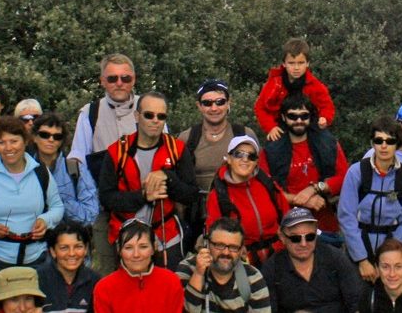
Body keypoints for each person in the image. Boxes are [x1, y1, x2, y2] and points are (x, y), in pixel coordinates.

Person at [98, 91, 196, 269]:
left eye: (161, 116)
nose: (155, 120)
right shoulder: (116, 152)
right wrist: (143, 196)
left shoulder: (177, 149)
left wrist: (168, 177)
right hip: (127, 234)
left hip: (166, 233)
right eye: (149, 115)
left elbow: (190, 194)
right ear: (137, 116)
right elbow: (106, 198)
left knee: (169, 283)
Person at [72, 54, 142, 272]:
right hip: (104, 209)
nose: (119, 83)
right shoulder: (89, 113)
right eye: (112, 78)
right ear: (102, 81)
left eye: (125, 78)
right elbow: (78, 161)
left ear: (134, 79)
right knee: (107, 273)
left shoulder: (148, 108)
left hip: (143, 207)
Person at [0, 115, 65, 270]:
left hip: (36, 258)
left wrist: (45, 220)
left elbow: (57, 206)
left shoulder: (41, 172)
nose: (8, 148)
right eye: (2, 142)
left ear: (25, 141)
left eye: (14, 141)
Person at [177, 80, 260, 237]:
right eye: (207, 103)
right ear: (199, 106)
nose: (214, 108)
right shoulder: (187, 139)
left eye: (220, 102)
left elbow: (259, 175)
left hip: (239, 211)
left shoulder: (244, 135)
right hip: (198, 217)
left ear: (228, 103)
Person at [342, 117, 402, 282]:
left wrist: (390, 262)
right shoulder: (356, 172)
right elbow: (346, 216)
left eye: (390, 141)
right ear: (372, 143)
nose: (384, 146)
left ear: (397, 144)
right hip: (358, 246)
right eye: (379, 140)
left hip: (391, 249)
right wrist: (362, 259)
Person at [264, 94, 349, 238]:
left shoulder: (328, 144)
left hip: (325, 226)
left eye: (304, 116)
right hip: (289, 229)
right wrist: (302, 200)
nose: (299, 121)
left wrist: (315, 188)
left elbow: (344, 177)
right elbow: (267, 189)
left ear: (311, 117)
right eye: (292, 116)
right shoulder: (271, 151)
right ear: (283, 117)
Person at [261, 208, 364, 313]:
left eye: (310, 237)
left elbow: (355, 303)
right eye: (295, 238)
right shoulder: (272, 269)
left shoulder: (335, 258)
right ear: (282, 237)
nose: (303, 244)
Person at [205, 136, 288, 263]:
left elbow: (287, 214)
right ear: (229, 159)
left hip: (278, 254)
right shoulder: (219, 194)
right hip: (242, 260)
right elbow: (213, 233)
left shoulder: (266, 184)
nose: (245, 159)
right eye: (239, 154)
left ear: (256, 162)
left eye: (251, 156)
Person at [177, 218, 274, 313]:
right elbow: (184, 310)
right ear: (207, 245)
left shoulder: (252, 277)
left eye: (233, 247)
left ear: (241, 251)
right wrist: (198, 274)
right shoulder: (187, 269)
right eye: (219, 245)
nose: (226, 252)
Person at [92, 220, 185, 313]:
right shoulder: (104, 288)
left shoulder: (171, 282)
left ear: (154, 248)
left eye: (143, 247)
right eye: (128, 248)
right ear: (119, 250)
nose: (136, 254)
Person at [255, 37, 337, 141]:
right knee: (274, 148)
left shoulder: (314, 85)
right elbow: (260, 107)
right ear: (284, 63)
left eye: (301, 63)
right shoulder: (275, 83)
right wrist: (270, 127)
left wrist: (324, 118)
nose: (296, 68)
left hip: (309, 123)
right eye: (291, 63)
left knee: (328, 144)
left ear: (307, 63)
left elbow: (327, 105)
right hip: (281, 125)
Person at [32, 114, 99, 227]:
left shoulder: (75, 169)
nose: (51, 140)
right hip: (33, 234)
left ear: (61, 141)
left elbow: (90, 215)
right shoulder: (24, 169)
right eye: (44, 135)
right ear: (34, 137)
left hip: (67, 234)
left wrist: (58, 202)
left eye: (57, 136)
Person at [36, 220, 102, 313]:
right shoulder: (37, 279)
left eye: (78, 246)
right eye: (64, 248)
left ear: (86, 249)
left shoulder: (95, 281)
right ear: (53, 251)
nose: (71, 253)